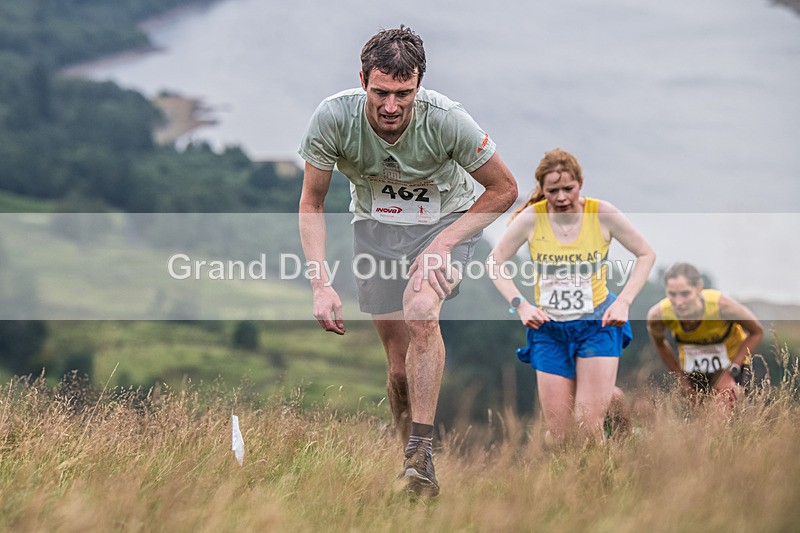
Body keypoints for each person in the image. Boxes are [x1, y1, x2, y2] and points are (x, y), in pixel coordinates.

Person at [297, 26, 517, 497]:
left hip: (445, 225)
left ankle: (421, 457)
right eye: (380, 92)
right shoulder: (332, 119)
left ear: (420, 84)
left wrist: (445, 243)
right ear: (362, 80)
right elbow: (312, 203)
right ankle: (410, 461)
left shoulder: (447, 120)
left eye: (404, 93)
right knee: (398, 369)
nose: (391, 106)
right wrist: (320, 284)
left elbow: (505, 189)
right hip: (375, 229)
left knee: (422, 313)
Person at [487, 148, 655, 445]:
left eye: (569, 189)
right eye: (553, 191)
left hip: (597, 325)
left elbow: (645, 254)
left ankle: (602, 485)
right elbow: (494, 262)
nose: (562, 197)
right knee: (559, 437)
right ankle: (570, 486)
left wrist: (624, 301)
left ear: (581, 182)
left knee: (588, 429)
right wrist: (521, 305)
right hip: (549, 329)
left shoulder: (602, 214)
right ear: (542, 188)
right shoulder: (531, 219)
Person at [646, 262, 763, 407]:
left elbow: (756, 332)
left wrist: (731, 371)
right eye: (672, 294)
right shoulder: (658, 315)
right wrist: (682, 381)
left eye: (685, 293)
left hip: (730, 364)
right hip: (692, 369)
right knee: (701, 419)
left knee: (722, 406)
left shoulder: (723, 306)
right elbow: (660, 344)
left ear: (699, 289)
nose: (679, 302)